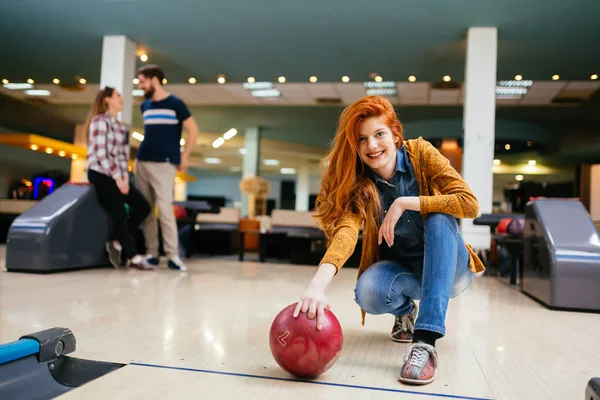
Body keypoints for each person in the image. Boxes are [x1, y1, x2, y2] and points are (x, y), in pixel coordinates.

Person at [293, 96, 484, 385]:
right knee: (368, 291)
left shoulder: (421, 153)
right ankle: (407, 313)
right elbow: (345, 233)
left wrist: (407, 202)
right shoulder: (360, 184)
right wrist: (316, 285)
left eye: (379, 134)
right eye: (362, 139)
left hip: (451, 271)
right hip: (405, 273)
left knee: (437, 213)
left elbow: (469, 204)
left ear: (395, 134)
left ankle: (425, 341)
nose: (372, 146)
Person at [134, 65, 201, 271]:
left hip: (165, 163)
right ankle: (152, 254)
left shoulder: (175, 104)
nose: (141, 86)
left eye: (143, 81)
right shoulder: (145, 106)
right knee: (146, 210)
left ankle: (173, 256)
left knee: (165, 210)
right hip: (142, 161)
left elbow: (194, 130)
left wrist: (184, 156)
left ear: (155, 80)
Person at [86, 87, 153, 271]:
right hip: (100, 173)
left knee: (143, 207)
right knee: (119, 213)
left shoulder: (119, 126)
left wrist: (124, 177)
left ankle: (116, 240)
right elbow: (101, 154)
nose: (122, 99)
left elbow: (122, 156)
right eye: (118, 96)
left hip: (117, 175)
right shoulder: (99, 121)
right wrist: (117, 178)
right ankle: (133, 257)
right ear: (107, 99)